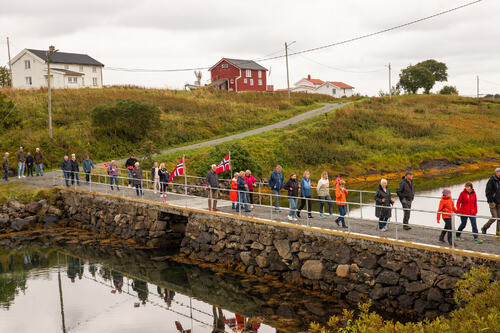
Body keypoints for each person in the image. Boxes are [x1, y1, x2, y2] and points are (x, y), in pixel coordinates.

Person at [482, 167, 500, 235]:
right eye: (498, 172)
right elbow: (488, 192)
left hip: (499, 202)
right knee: (494, 217)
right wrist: (491, 201)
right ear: (496, 172)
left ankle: (498, 233)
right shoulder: (491, 180)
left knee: (499, 219)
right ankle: (484, 228)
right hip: (492, 202)